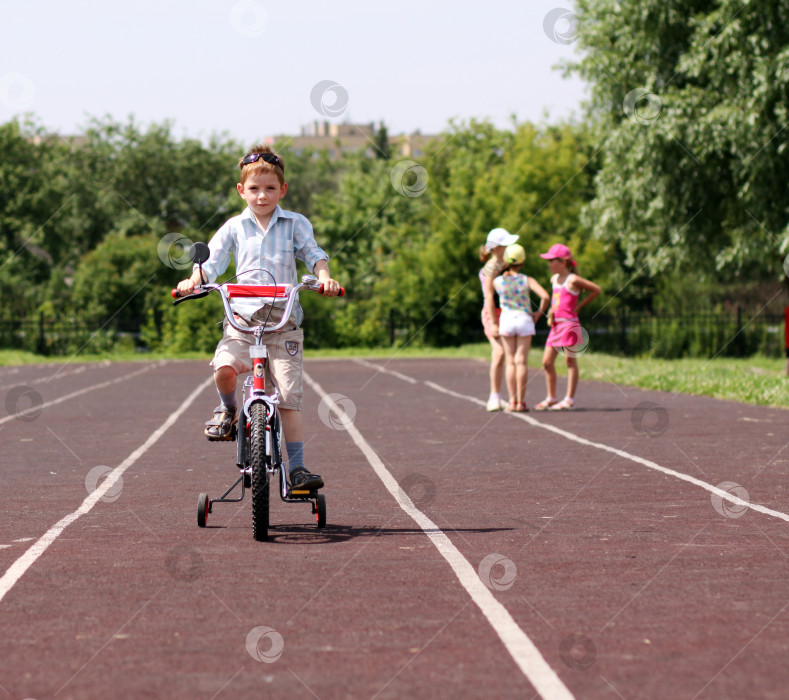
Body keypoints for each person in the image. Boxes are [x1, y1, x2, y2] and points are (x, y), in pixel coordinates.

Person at [176, 144, 341, 491]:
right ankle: (227, 410)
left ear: (282, 190)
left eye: (269, 188)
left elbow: (314, 255)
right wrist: (194, 281)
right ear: (242, 191)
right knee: (223, 368)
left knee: (289, 401)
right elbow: (212, 263)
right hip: (243, 324)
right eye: (254, 189)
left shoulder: (295, 223)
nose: (262, 195)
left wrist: (323, 277)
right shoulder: (234, 227)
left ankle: (296, 469)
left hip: (283, 326)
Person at [535, 244, 601, 411]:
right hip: (556, 326)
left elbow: (596, 290)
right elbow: (556, 300)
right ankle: (551, 397)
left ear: (563, 262)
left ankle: (569, 399)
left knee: (570, 361)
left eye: (552, 261)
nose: (549, 264)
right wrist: (551, 310)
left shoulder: (572, 279)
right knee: (546, 362)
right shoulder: (554, 280)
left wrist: (579, 306)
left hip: (569, 325)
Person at [493, 244, 550, 412]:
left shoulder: (498, 281)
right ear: (522, 262)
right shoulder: (527, 280)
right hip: (524, 319)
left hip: (506, 320)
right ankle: (521, 402)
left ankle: (512, 401)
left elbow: (489, 297)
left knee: (510, 362)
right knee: (521, 361)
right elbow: (545, 296)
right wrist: (538, 313)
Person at [479, 227, 519, 411]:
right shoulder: (490, 268)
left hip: (506, 311)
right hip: (492, 312)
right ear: (496, 248)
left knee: (506, 354)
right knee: (499, 353)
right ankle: (493, 396)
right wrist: (493, 322)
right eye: (505, 244)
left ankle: (503, 396)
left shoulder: (506, 264)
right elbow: (488, 296)